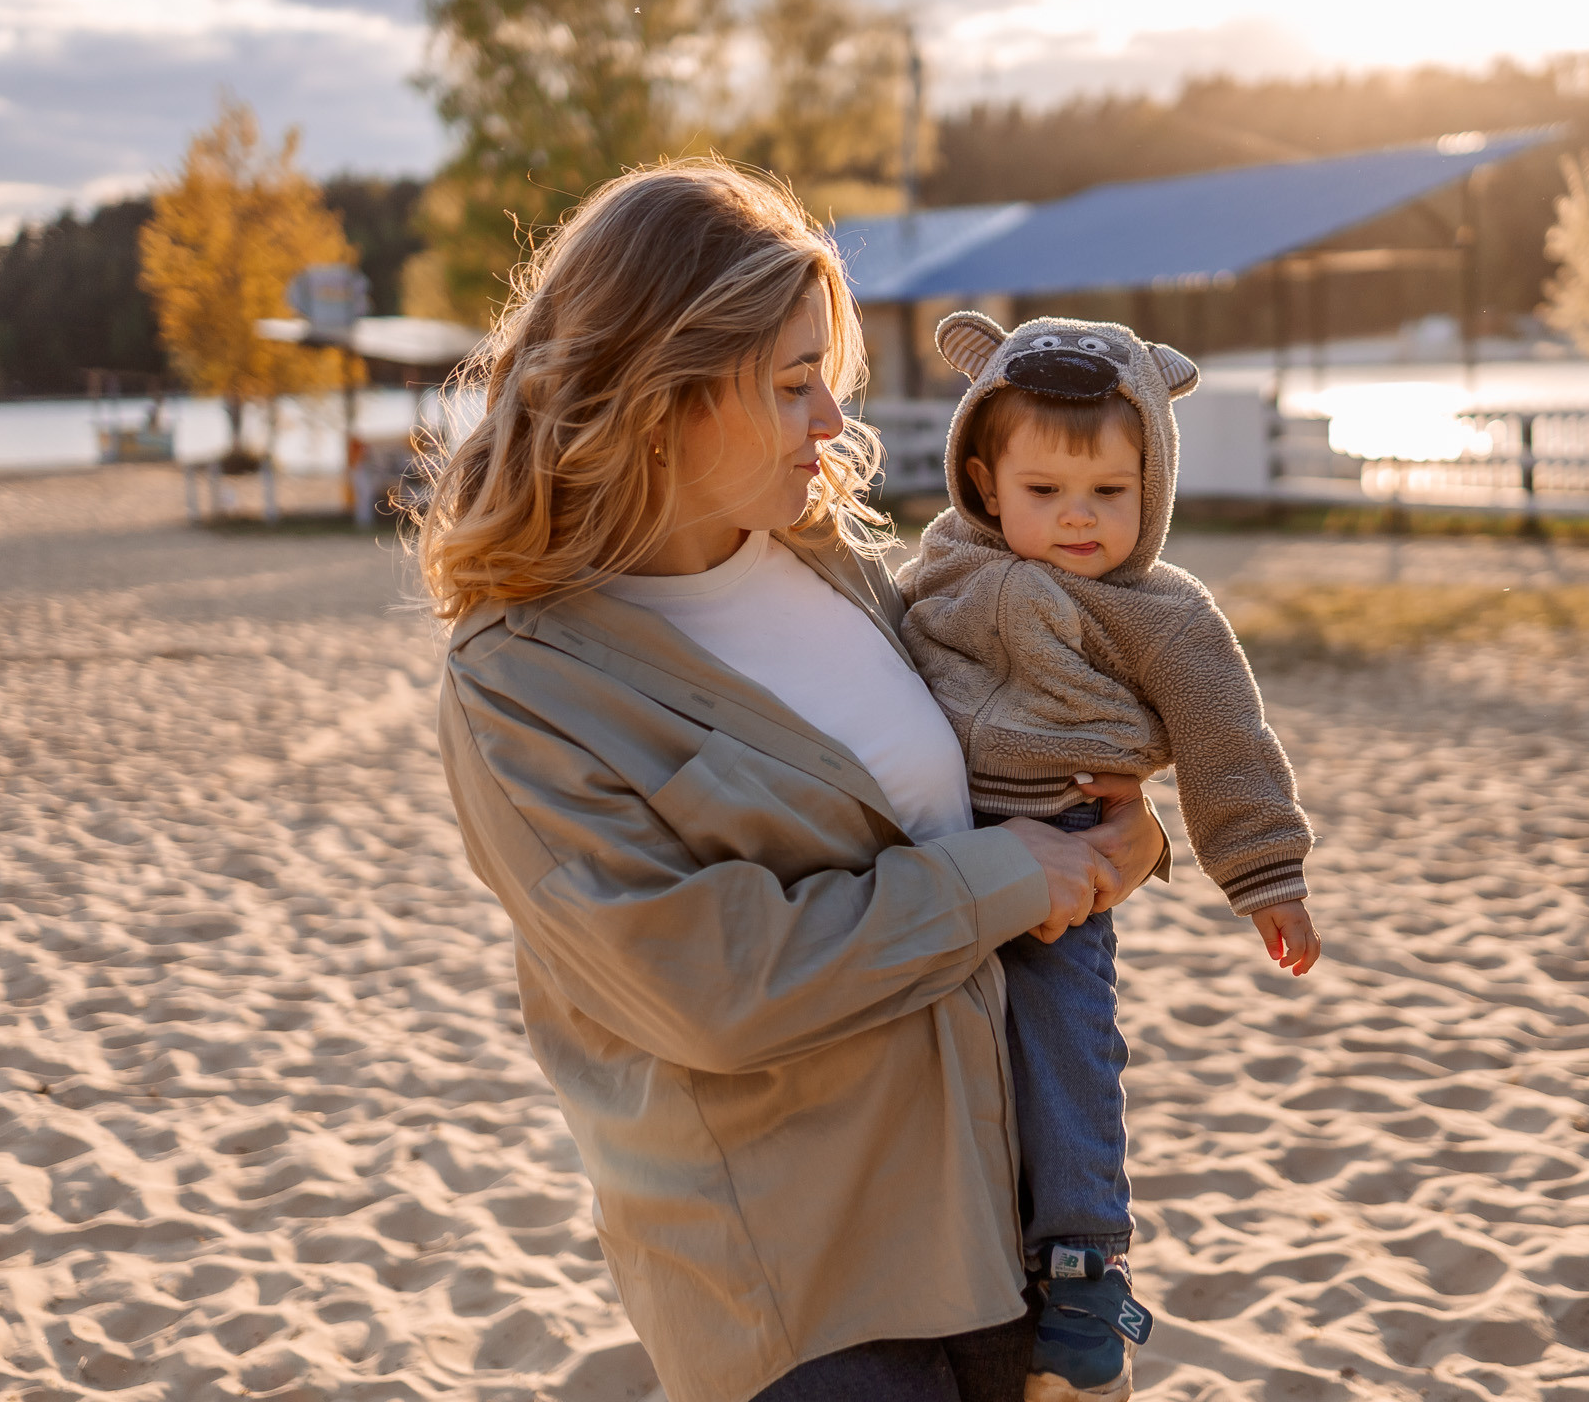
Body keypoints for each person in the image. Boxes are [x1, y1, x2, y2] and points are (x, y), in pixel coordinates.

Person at [416, 161, 1168, 1402]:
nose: (830, 421)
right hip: (811, 1302)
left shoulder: (837, 564)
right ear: (658, 393)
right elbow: (711, 981)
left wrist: (1106, 838)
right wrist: (1001, 878)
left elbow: (975, 799)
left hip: (1017, 1239)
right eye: (789, 382)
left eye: (827, 376)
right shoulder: (523, 686)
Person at [896, 311, 1321, 1401]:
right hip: (947, 837)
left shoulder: (1162, 613)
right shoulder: (941, 563)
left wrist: (1265, 872)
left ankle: (1086, 1261)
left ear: (1155, 485)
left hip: (1075, 838)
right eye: (1045, 494)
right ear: (986, 483)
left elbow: (1228, 739)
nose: (1079, 521)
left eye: (1111, 496)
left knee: (1067, 1036)